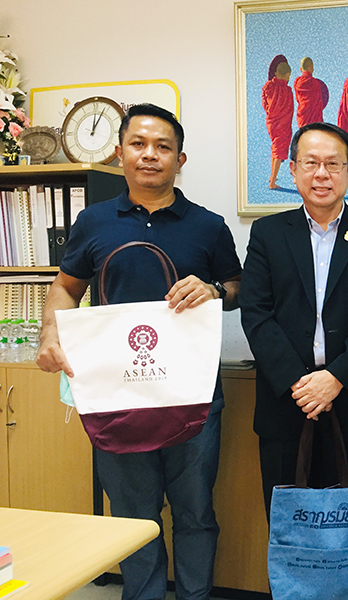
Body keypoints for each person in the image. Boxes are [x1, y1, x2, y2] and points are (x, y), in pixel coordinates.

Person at [35, 103, 242, 600]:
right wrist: (49, 334)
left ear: (180, 159)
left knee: (195, 511)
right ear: (120, 152)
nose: (150, 155)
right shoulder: (93, 221)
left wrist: (214, 289)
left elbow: (240, 289)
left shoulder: (208, 226)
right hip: (117, 396)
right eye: (139, 144)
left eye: (163, 147)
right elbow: (66, 288)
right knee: (132, 517)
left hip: (190, 394)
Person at [238, 122, 348, 518]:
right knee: (287, 525)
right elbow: (255, 312)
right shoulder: (268, 233)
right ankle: (286, 586)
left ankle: (345, 586)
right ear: (293, 170)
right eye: (310, 163)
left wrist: (335, 378)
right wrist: (300, 383)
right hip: (286, 401)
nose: (321, 174)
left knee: (345, 522)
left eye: (333, 163)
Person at [262, 55, 294, 188]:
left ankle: (272, 176)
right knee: (278, 150)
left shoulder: (268, 86)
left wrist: (270, 113)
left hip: (271, 122)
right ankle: (273, 181)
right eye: (288, 76)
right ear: (286, 75)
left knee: (275, 147)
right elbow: (290, 108)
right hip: (283, 125)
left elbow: (264, 103)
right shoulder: (287, 90)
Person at [293, 56, 328, 128]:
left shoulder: (298, 82)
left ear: (301, 69)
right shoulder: (315, 83)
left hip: (303, 116)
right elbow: (320, 100)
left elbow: (297, 98)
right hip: (315, 117)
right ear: (312, 68)